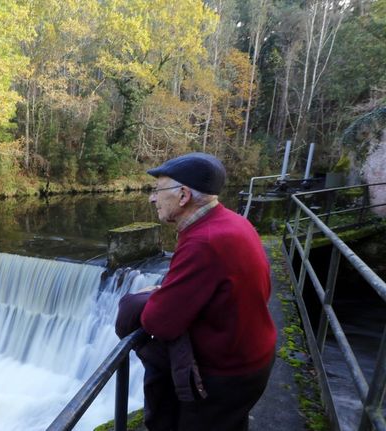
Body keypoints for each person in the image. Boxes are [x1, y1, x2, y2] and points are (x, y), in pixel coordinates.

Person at [115, 152, 277, 431]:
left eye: (157, 190)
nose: (151, 198)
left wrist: (142, 297)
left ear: (183, 195)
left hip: (226, 374)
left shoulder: (205, 241)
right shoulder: (233, 222)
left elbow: (159, 322)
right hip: (252, 357)